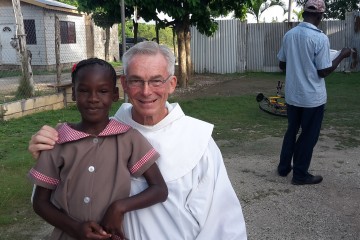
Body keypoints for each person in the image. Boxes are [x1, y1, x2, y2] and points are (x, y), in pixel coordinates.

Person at [28, 42, 247, 239]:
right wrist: (46, 146)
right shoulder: (104, 131)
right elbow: (59, 191)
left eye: (156, 81)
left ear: (172, 84)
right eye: (136, 81)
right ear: (123, 84)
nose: (146, 91)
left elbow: (222, 218)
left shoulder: (199, 141)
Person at [28, 58, 168, 240]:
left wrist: (119, 208)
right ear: (74, 94)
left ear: (115, 95)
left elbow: (159, 189)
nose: (93, 99)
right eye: (84, 91)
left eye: (102, 91)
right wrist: (75, 228)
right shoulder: (57, 140)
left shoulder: (128, 138)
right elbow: (40, 203)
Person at [276, 0, 352, 185]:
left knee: (291, 131)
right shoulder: (320, 38)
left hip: (293, 95)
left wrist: (298, 66)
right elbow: (323, 71)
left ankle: (284, 168)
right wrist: (342, 55)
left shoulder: (289, 35)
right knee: (308, 135)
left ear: (304, 14)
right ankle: (300, 174)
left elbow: (282, 64)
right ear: (319, 16)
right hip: (312, 99)